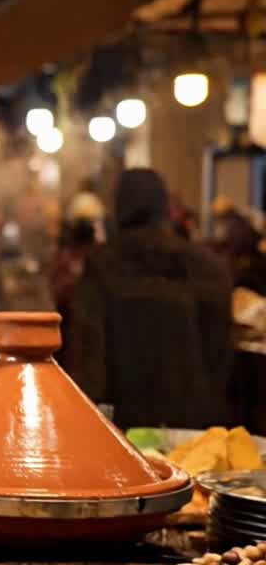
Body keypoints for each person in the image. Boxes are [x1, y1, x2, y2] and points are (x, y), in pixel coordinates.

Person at [64, 168, 233, 430]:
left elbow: (90, 359)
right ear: (165, 207)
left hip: (124, 427)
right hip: (195, 427)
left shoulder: (102, 266)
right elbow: (221, 354)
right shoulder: (207, 266)